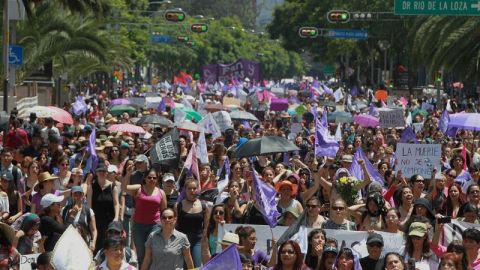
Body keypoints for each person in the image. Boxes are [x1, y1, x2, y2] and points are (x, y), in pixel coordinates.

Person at [122, 167, 166, 266]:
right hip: (139, 226)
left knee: (152, 251)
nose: (152, 180)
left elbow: (164, 212)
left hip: (155, 225)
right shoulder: (138, 188)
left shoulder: (161, 192)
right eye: (149, 177)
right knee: (141, 253)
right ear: (145, 178)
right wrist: (128, 173)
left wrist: (164, 228)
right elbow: (124, 187)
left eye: (154, 178)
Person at [175, 179, 209, 268]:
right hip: (181, 241)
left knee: (196, 266)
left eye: (194, 188)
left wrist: (205, 241)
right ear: (185, 190)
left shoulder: (204, 205)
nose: (192, 191)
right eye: (189, 188)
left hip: (197, 241)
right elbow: (175, 225)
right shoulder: (178, 205)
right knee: (183, 266)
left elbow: (206, 227)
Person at [88, 165, 119, 253]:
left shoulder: (113, 186)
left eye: (104, 171)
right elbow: (89, 205)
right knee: (96, 244)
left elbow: (116, 203)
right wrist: (91, 218)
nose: (102, 173)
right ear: (96, 173)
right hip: (95, 220)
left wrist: (116, 217)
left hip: (109, 220)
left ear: (107, 173)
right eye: (99, 171)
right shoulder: (92, 187)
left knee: (109, 244)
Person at [62, 186, 97, 251]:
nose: (78, 197)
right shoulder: (65, 210)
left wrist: (93, 243)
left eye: (80, 194)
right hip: (68, 243)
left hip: (84, 243)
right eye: (75, 194)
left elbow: (93, 230)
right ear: (71, 196)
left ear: (83, 195)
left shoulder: (88, 211)